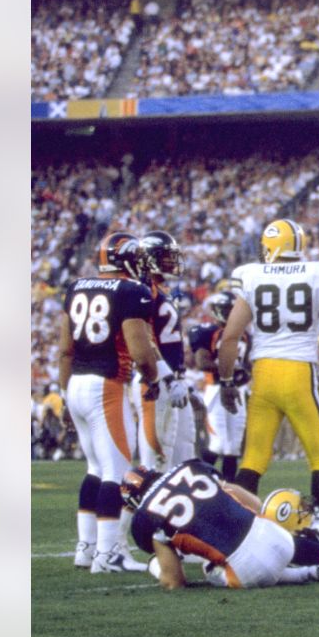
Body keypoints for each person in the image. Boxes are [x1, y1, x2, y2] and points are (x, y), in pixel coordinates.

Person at [217, 219, 319, 519]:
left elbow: (229, 338)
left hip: (263, 376)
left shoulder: (252, 276)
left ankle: (235, 527)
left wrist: (226, 382)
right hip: (298, 374)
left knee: (253, 460)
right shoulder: (316, 273)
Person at [59, 233, 181, 573]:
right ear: (126, 258)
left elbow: (64, 349)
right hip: (106, 385)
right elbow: (141, 351)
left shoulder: (75, 287)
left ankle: (86, 549)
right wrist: (154, 379)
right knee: (116, 472)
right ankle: (108, 553)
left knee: (94, 469)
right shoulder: (131, 291)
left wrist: (64, 394)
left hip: (77, 383)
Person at [122, 460, 319, 589]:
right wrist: (262, 514)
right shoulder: (190, 467)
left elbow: (174, 582)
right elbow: (234, 491)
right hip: (273, 534)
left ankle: (305, 575)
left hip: (247, 570)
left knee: (207, 567)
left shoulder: (146, 517)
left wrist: (156, 566)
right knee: (294, 545)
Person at [133, 230, 197, 470]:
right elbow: (146, 338)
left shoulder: (164, 289)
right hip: (156, 380)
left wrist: (181, 380)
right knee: (156, 463)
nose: (171, 261)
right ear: (148, 257)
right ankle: (141, 509)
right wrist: (168, 379)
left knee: (185, 459)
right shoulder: (142, 288)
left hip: (175, 380)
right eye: (165, 256)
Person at [188, 290, 250, 481]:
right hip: (216, 390)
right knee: (218, 443)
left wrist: (243, 371)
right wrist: (231, 369)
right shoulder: (207, 331)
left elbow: (247, 366)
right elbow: (202, 362)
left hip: (238, 390)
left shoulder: (245, 335)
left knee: (233, 446)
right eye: (226, 309)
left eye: (233, 309)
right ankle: (199, 483)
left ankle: (229, 490)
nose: (231, 313)